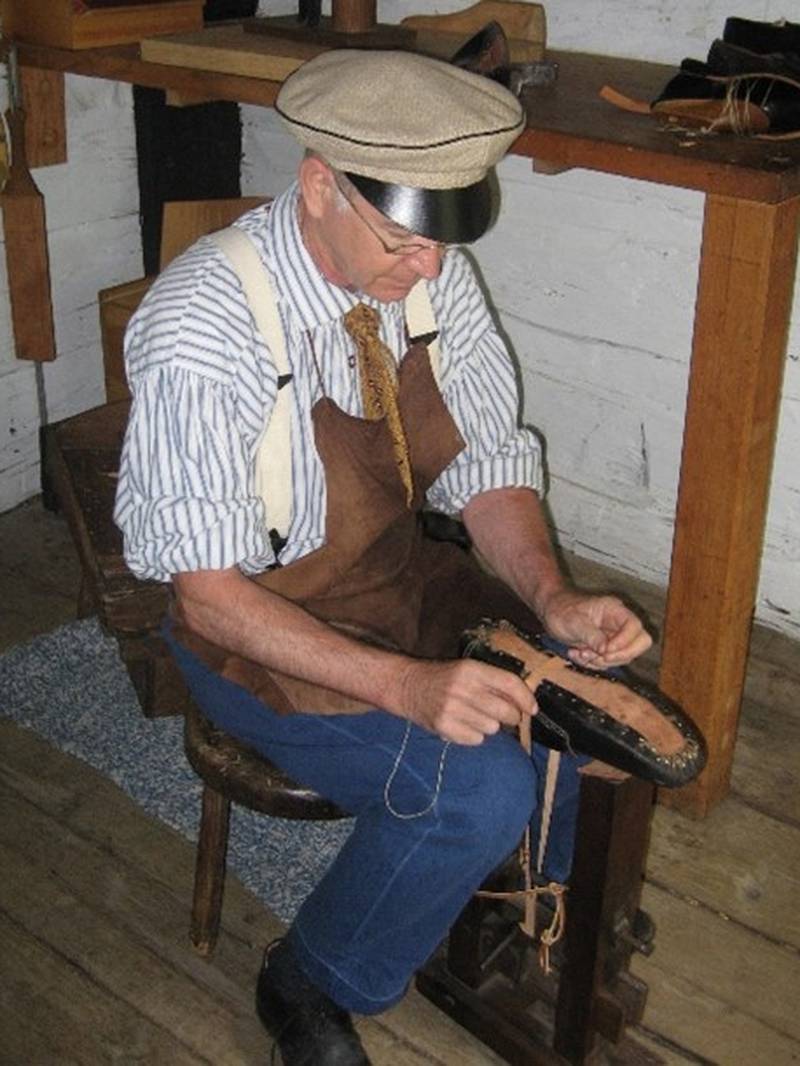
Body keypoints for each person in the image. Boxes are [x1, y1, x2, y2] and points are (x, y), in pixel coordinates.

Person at [115, 48, 651, 1066]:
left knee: (578, 691)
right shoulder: (204, 325)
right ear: (319, 185)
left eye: (443, 241)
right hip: (254, 627)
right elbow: (210, 595)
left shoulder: (420, 277)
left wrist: (552, 595)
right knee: (476, 785)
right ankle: (310, 974)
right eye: (406, 241)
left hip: (394, 576)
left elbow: (486, 465)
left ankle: (522, 889)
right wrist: (407, 687)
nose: (432, 270)